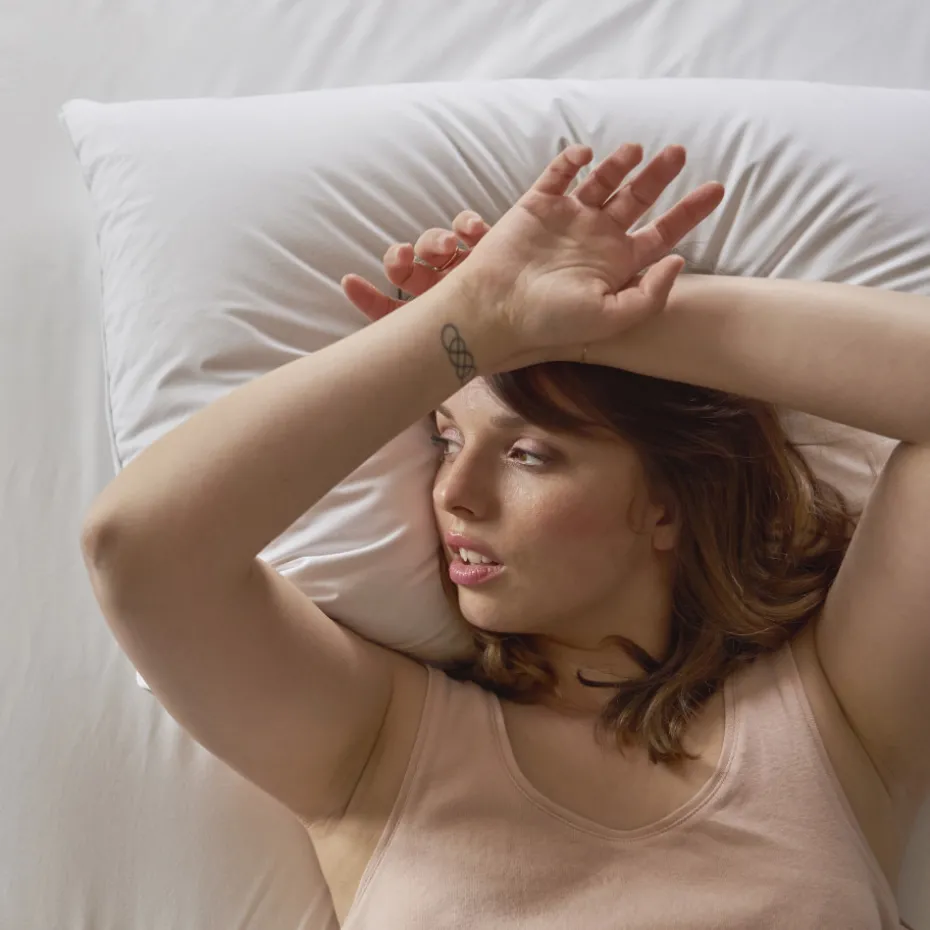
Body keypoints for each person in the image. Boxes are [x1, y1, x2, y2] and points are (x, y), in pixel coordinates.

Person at [80, 143, 929, 929]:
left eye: (527, 454)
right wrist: (465, 322)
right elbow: (141, 550)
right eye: (447, 440)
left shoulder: (837, 719)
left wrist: (585, 320)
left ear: (669, 504)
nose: (455, 493)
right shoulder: (379, 743)